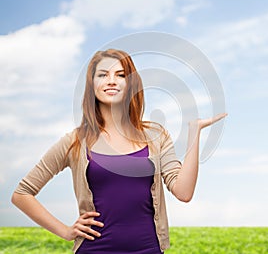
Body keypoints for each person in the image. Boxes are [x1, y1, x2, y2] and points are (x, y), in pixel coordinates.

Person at [11, 49, 227, 253]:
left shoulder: (156, 135)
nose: (111, 80)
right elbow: (22, 194)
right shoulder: (75, 141)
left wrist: (194, 132)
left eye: (120, 75)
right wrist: (66, 231)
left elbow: (184, 192)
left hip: (148, 249)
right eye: (103, 75)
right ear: (92, 85)